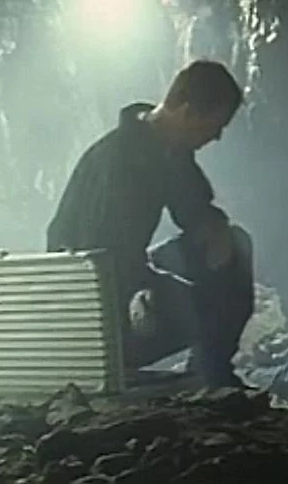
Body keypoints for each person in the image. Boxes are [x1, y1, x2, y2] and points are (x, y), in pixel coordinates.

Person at [47, 60, 253, 388]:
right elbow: (101, 254)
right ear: (186, 111)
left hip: (127, 271)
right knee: (212, 308)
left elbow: (194, 208)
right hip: (94, 301)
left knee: (235, 243)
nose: (216, 137)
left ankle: (211, 371)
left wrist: (214, 226)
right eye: (214, 125)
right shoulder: (120, 160)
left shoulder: (168, 150)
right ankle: (202, 377)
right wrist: (151, 291)